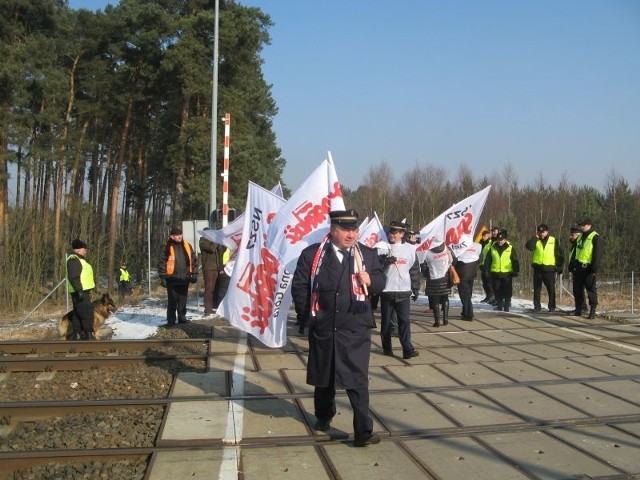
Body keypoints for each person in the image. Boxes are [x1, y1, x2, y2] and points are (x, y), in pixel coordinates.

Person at [291, 209, 385, 447]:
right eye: (345, 230)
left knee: (357, 381)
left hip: (355, 330)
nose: (351, 235)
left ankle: (363, 430)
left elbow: (381, 281)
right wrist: (308, 317)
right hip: (324, 327)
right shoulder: (313, 255)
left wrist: (371, 281)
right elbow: (300, 287)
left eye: (354, 230)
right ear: (332, 229)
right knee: (325, 378)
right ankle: (324, 416)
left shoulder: (368, 254)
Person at [378, 221, 421, 358]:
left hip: (403, 290)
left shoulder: (410, 249)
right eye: (391, 232)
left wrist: (415, 288)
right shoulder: (382, 247)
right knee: (385, 323)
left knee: (404, 321)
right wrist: (384, 262)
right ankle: (387, 348)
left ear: (402, 234)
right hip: (387, 291)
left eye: (395, 233)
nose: (392, 235)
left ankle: (407, 349)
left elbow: (414, 270)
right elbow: (375, 268)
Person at [158, 226, 198, 327]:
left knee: (183, 300)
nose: (179, 236)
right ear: (171, 236)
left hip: (185, 278)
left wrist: (194, 273)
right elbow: (162, 262)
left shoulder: (187, 246)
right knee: (172, 301)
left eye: (180, 234)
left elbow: (193, 261)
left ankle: (182, 318)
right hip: (172, 279)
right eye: (177, 235)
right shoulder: (166, 247)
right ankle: (171, 320)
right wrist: (162, 277)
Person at [570, 219, 604, 319]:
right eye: (581, 225)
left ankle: (592, 310)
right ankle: (579, 308)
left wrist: (594, 268)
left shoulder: (595, 237)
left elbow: (598, 254)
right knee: (578, 290)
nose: (582, 227)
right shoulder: (580, 237)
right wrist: (572, 264)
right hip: (578, 267)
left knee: (591, 290)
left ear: (589, 225)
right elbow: (575, 251)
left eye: (584, 225)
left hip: (588, 268)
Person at [524, 224, 564, 312]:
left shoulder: (553, 240)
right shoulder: (536, 240)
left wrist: (559, 266)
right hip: (538, 268)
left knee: (551, 289)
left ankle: (552, 306)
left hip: (549, 269)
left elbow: (559, 254)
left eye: (543, 232)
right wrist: (535, 238)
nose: (541, 234)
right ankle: (537, 306)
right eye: (540, 232)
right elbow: (528, 246)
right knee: (537, 289)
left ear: (547, 232)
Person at [422, 234, 455, 327]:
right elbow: (454, 260)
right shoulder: (446, 248)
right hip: (445, 278)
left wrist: (426, 274)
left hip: (433, 278)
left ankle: (437, 322)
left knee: (435, 300)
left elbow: (423, 266)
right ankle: (445, 319)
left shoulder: (427, 252)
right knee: (445, 297)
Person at [66, 238, 96, 340]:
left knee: (78, 313)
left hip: (81, 291)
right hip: (80, 291)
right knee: (86, 313)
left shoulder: (79, 260)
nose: (86, 251)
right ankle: (88, 334)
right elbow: (73, 277)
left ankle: (77, 334)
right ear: (78, 250)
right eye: (84, 249)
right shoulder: (74, 260)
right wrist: (79, 291)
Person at [484, 230, 519, 312]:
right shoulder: (492, 248)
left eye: (502, 239)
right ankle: (499, 304)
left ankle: (506, 305)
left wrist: (516, 270)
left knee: (507, 290)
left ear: (505, 240)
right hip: (495, 272)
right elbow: (488, 260)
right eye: (499, 239)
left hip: (506, 273)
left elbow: (514, 259)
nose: (500, 241)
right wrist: (486, 269)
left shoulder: (510, 248)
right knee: (496, 289)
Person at [454, 239, 481, 321]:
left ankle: (468, 314)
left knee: (464, 294)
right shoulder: (477, 246)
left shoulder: (458, 246)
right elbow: (480, 259)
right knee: (468, 293)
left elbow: (454, 259)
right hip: (472, 272)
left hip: (462, 272)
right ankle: (465, 311)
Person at [199, 232, 225, 315]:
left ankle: (211, 307)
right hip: (208, 268)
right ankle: (207, 309)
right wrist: (216, 241)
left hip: (216, 267)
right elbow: (211, 249)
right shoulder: (203, 242)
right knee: (208, 288)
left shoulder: (213, 242)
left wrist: (221, 243)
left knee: (213, 289)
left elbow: (221, 251)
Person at [567, 225, 588, 313]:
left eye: (572, 235)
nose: (570, 237)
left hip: (580, 269)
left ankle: (582, 308)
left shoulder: (580, 244)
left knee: (579, 289)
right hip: (575, 269)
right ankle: (578, 307)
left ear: (578, 235)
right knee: (576, 290)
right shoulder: (575, 245)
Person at [479, 229, 496, 305]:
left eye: (485, 236)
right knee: (484, 282)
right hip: (483, 265)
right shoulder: (482, 243)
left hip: (489, 265)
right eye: (483, 236)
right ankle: (488, 296)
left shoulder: (490, 243)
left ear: (488, 236)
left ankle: (492, 296)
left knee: (489, 282)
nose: (483, 237)